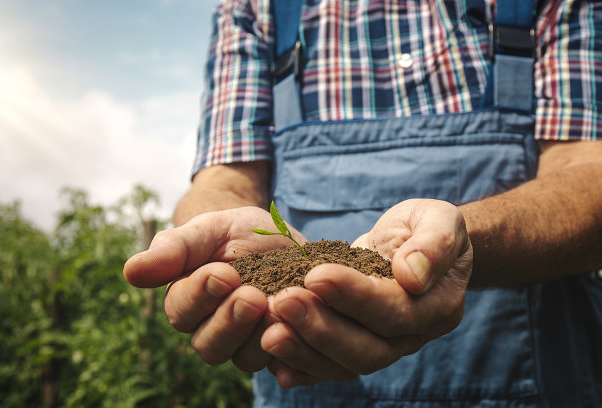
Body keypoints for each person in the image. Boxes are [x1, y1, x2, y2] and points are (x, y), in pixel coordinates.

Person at [124, 0, 602, 406]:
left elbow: (587, 172)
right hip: (295, 357)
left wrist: (463, 242)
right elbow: (224, 179)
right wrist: (208, 229)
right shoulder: (259, 8)